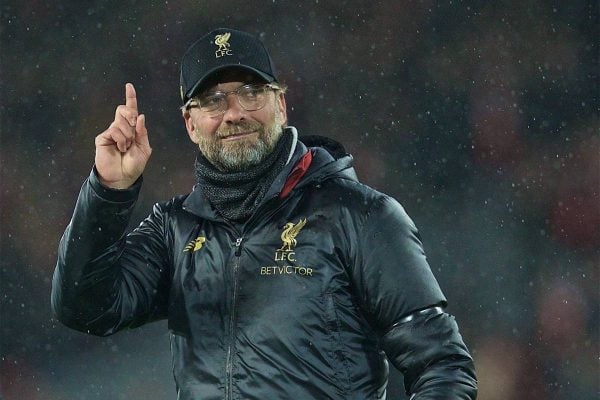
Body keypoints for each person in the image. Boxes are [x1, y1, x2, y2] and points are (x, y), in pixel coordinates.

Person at [51, 28, 477, 399]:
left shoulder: (358, 215)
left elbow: (443, 367)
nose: (235, 113)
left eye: (251, 92)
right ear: (190, 125)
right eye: (213, 100)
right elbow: (83, 306)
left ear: (282, 105)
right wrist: (109, 192)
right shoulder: (174, 230)